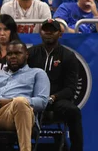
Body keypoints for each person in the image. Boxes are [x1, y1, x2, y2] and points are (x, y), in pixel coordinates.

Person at [28, 19, 84, 151]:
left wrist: (53, 97)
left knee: (74, 111)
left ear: (60, 34)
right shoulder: (30, 53)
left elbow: (71, 88)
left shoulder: (68, 56)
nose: (48, 33)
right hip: (32, 99)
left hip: (56, 100)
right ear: (40, 33)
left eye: (52, 30)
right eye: (45, 30)